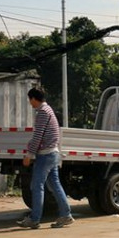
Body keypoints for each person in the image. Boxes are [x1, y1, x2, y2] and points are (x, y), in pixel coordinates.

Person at [17, 88, 74, 229]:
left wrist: (29, 155)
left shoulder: (42, 112)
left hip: (46, 155)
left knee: (37, 186)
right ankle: (66, 215)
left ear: (33, 99)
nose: (30, 103)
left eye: (30, 100)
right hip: (53, 153)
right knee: (55, 185)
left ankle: (34, 219)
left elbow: (38, 136)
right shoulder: (49, 110)